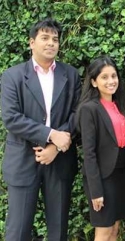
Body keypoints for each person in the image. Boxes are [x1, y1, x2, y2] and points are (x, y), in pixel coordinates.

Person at [1, 18, 81, 240]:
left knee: (58, 230)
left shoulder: (71, 74)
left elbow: (77, 113)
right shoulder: (12, 76)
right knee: (17, 230)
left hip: (60, 160)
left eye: (55, 39)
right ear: (31, 42)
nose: (51, 43)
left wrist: (55, 145)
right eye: (44, 38)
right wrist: (50, 134)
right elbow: (11, 118)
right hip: (23, 160)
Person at [76, 56, 125, 241]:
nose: (111, 81)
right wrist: (96, 191)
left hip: (118, 176)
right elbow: (89, 153)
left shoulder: (119, 106)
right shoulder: (89, 109)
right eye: (104, 77)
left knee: (115, 229)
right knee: (103, 231)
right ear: (94, 82)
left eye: (114, 76)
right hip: (101, 179)